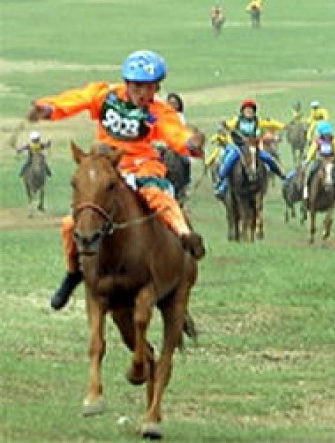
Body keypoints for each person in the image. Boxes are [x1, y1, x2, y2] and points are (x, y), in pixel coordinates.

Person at [27, 50, 207, 310]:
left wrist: (190, 143)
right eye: (137, 86)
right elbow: (78, 99)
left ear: (157, 87)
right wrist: (49, 108)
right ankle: (72, 273)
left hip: (142, 165)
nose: (142, 93)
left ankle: (185, 235)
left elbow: (174, 132)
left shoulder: (158, 112)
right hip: (106, 166)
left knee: (159, 197)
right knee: (69, 224)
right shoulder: (106, 96)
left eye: (149, 87)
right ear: (126, 83)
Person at [214, 99, 287, 199]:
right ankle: (221, 184)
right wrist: (224, 124)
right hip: (238, 148)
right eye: (247, 110)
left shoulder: (258, 121)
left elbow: (271, 124)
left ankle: (280, 174)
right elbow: (227, 125)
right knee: (229, 161)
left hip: (253, 147)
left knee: (268, 158)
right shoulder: (237, 120)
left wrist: (283, 126)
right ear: (243, 111)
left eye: (251, 110)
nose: (249, 112)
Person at [301, 120, 335, 201]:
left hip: (331, 160)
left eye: (328, 133)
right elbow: (312, 151)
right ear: (321, 133)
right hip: (320, 160)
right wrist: (307, 160)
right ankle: (306, 190)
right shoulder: (317, 141)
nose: (327, 135)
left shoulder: (333, 140)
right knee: (310, 171)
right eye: (325, 133)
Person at [165, 92, 193, 190]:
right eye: (170, 103)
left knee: (186, 160)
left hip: (177, 143)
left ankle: (186, 181)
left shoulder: (180, 116)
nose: (172, 105)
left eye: (174, 103)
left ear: (178, 105)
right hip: (165, 143)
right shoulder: (163, 115)